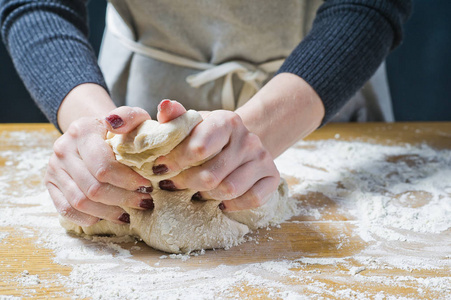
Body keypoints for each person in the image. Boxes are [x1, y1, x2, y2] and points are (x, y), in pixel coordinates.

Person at [0, 0, 411, 227]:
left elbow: (370, 4)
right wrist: (92, 128)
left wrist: (262, 130)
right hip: (135, 97)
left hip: (316, 92)